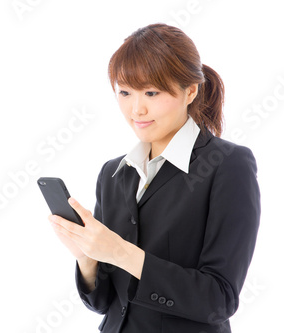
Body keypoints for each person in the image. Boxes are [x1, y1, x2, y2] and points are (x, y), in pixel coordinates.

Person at [48, 23, 260, 333]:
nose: (137, 109)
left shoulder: (228, 165)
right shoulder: (113, 173)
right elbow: (107, 303)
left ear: (191, 90)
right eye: (124, 92)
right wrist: (87, 257)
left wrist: (120, 252)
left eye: (151, 92)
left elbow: (218, 300)